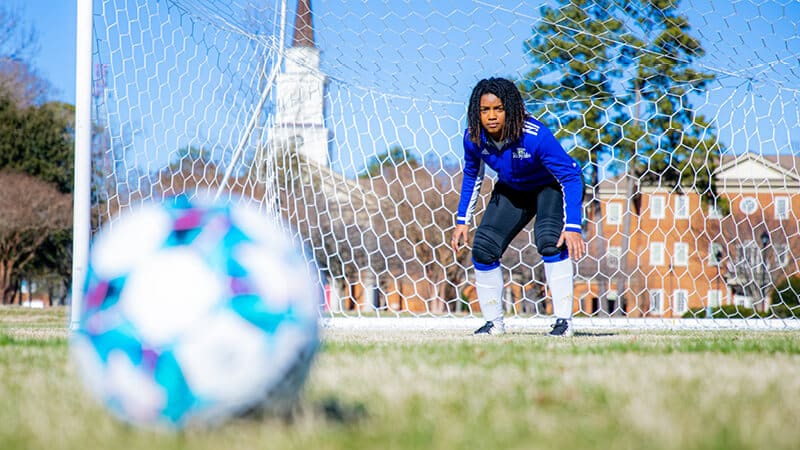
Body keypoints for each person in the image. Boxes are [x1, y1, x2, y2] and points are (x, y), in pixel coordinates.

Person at [451, 77, 585, 337]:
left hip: (551, 187)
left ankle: (564, 322)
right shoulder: (473, 138)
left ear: (510, 109)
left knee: (550, 241)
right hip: (514, 190)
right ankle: (494, 324)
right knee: (483, 249)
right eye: (485, 110)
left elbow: (569, 176)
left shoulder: (535, 136)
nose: (491, 116)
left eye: (498, 109)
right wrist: (462, 220)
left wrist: (573, 226)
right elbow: (472, 174)